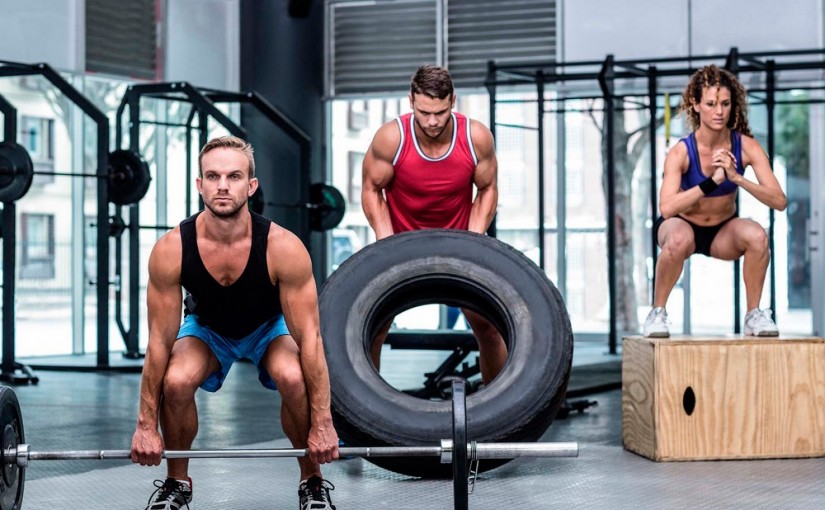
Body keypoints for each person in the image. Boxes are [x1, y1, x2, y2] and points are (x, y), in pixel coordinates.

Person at [130, 136, 339, 510]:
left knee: (293, 376)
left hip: (267, 328)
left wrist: (323, 423)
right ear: (200, 185)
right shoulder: (172, 248)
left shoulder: (283, 246)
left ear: (251, 185)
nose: (222, 186)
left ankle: (312, 481)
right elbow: (159, 341)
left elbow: (310, 338)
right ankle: (177, 482)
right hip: (208, 329)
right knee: (176, 381)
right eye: (213, 176)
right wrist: (146, 425)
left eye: (234, 176)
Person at [361, 65, 507, 384]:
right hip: (401, 243)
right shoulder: (391, 138)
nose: (432, 122)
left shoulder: (475, 137)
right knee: (373, 327)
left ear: (453, 101)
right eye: (424, 112)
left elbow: (487, 189)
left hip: (458, 243)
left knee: (490, 328)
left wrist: (473, 240)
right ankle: (364, 406)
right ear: (411, 101)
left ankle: (499, 405)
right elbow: (371, 189)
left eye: (440, 113)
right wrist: (386, 242)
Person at [643, 65, 787, 338]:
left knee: (758, 236)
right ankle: (657, 312)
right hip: (681, 226)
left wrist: (737, 178)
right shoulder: (681, 152)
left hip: (722, 231)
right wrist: (712, 181)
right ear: (695, 104)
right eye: (711, 104)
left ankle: (753, 315)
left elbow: (779, 201)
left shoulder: (746, 146)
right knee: (679, 239)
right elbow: (667, 208)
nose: (719, 111)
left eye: (725, 104)